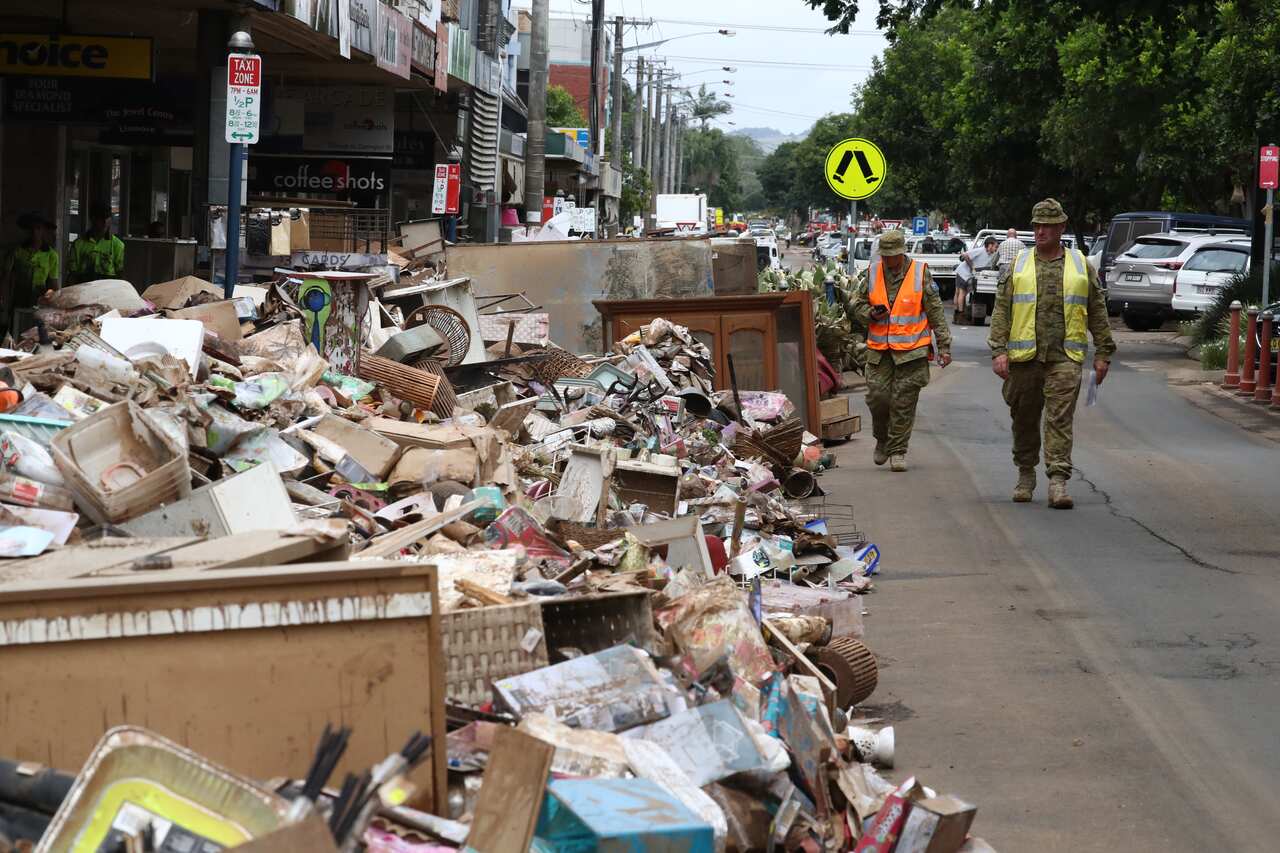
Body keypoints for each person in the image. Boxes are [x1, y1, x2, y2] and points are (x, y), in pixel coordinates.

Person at [988, 199, 1116, 509]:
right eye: (1037, 225)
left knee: (1060, 419)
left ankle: (1058, 481)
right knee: (1024, 418)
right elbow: (1002, 310)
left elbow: (1096, 309)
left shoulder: (1080, 264)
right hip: (1024, 358)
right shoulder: (1018, 263)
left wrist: (1103, 351)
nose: (1041, 231)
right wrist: (999, 350)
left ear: (1061, 228)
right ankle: (1025, 473)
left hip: (1065, 356)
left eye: (1048, 225)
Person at [850, 229, 952, 472]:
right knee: (878, 398)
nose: (887, 260)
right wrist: (870, 313)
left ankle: (898, 450)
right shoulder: (873, 272)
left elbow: (935, 310)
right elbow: (856, 304)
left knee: (903, 402)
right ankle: (882, 438)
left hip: (912, 351)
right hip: (879, 350)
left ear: (901, 253)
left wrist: (944, 346)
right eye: (884, 256)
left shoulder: (919, 272)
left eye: (892, 256)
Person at [4, 212, 60, 332]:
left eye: (38, 228)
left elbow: (53, 283)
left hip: (39, 299)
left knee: (36, 333)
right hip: (19, 298)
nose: (34, 232)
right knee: (16, 330)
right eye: (31, 229)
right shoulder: (17, 252)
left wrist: (55, 302)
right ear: (27, 231)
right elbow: (5, 277)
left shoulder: (51, 255)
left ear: (43, 231)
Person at [69, 203, 125, 283]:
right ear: (93, 219)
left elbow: (121, 276)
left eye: (107, 218)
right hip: (84, 289)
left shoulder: (117, 245)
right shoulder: (78, 244)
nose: (105, 222)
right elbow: (72, 275)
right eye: (101, 218)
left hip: (108, 290)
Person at [954, 235, 999, 322]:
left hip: (969, 274)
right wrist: (972, 267)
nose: (996, 249)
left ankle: (957, 314)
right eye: (995, 246)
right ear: (989, 245)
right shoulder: (980, 250)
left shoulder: (991, 255)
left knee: (960, 293)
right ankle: (960, 315)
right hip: (963, 272)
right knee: (961, 293)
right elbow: (965, 255)